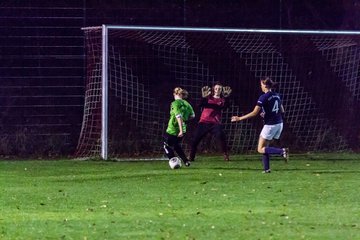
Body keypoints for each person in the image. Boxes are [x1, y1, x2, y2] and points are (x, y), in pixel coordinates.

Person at [231, 77, 289, 173]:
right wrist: (266, 112)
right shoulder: (277, 95)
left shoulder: (263, 97)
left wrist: (239, 118)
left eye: (261, 84)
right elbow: (282, 110)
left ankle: (282, 151)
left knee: (260, 149)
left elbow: (254, 113)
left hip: (270, 125)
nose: (260, 86)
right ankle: (267, 169)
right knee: (265, 147)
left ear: (265, 85)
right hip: (279, 123)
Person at [189, 82, 232, 162]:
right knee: (195, 139)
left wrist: (227, 98)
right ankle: (191, 156)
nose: (217, 90)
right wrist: (203, 98)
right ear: (213, 89)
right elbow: (200, 104)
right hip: (204, 122)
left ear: (222, 90)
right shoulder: (208, 98)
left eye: (219, 89)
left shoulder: (222, 100)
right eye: (216, 88)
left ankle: (225, 154)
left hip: (215, 123)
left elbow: (226, 107)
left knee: (221, 136)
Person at [164, 87, 195, 167]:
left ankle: (174, 162)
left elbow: (178, 116)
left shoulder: (175, 103)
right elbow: (192, 115)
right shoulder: (186, 103)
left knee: (166, 145)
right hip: (183, 129)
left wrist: (180, 129)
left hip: (173, 128)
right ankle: (186, 161)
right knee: (176, 145)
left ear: (174, 94)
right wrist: (184, 122)